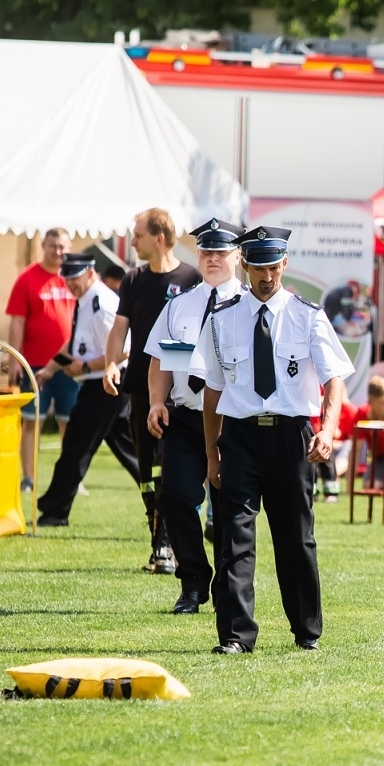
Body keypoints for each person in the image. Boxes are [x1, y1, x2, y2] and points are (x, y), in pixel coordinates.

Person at [192, 226, 354, 654]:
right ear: (243, 264)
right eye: (258, 266)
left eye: (273, 266)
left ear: (285, 264)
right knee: (233, 538)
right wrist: (212, 453)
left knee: (295, 537)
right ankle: (235, 636)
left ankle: (306, 631)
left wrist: (328, 429)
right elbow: (212, 392)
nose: (266, 275)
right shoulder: (222, 317)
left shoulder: (308, 314)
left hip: (292, 437)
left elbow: (334, 379)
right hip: (240, 437)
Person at [145, 217, 245, 617]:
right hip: (185, 417)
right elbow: (161, 361)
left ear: (238, 256)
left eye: (222, 251)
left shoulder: (249, 304)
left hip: (232, 419)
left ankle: (227, 586)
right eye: (206, 251)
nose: (213, 258)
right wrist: (156, 401)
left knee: (227, 508)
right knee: (176, 497)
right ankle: (192, 581)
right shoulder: (181, 304)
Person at [105, 208, 201, 576]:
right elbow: (119, 330)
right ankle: (157, 537)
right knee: (147, 469)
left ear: (159, 237)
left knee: (172, 466)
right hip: (141, 388)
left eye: (137, 235)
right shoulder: (132, 280)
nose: (132, 242)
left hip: (178, 392)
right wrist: (112, 363)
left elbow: (188, 337)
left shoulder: (191, 278)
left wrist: (177, 374)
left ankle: (168, 541)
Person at [35, 254, 137, 526]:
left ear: (90, 273)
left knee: (76, 446)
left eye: (74, 277)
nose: (70, 284)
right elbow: (76, 343)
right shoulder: (87, 300)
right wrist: (50, 369)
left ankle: (55, 510)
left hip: (107, 382)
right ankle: (168, 494)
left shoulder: (101, 303)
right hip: (102, 381)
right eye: (66, 278)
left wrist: (85, 367)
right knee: (131, 449)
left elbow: (124, 349)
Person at [5, 228, 76, 492]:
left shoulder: (74, 277)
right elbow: (16, 323)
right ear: (43, 246)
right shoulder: (27, 279)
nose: (58, 252)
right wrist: (14, 359)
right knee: (31, 420)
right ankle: (29, 478)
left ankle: (69, 478)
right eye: (53, 246)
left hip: (70, 365)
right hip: (34, 364)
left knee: (68, 422)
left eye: (63, 247)